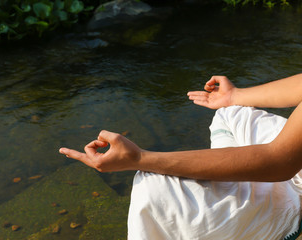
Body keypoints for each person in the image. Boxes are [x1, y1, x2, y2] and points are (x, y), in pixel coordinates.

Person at [59, 74, 302, 239]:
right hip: (289, 162)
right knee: (227, 115)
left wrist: (140, 158)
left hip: (288, 172)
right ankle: (236, 193)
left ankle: (287, 221)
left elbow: (278, 161)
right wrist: (234, 96)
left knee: (152, 187)